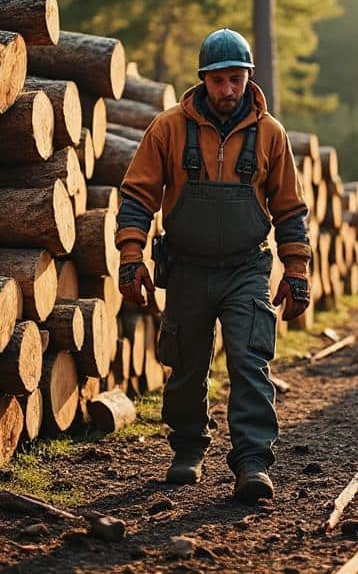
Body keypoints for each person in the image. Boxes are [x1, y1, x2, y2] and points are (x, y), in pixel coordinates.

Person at [114, 27, 310, 502]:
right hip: (186, 270)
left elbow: (289, 209)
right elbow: (138, 196)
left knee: (250, 361)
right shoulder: (167, 128)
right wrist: (131, 257)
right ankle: (187, 450)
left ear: (248, 78)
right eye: (218, 80)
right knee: (185, 366)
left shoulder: (270, 134)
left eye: (236, 80)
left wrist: (297, 272)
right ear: (203, 79)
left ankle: (252, 463)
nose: (227, 90)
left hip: (247, 269)